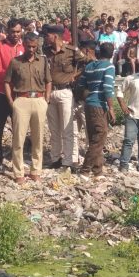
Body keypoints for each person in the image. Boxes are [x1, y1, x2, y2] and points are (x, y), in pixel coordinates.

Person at [5, 33, 51, 184]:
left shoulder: (43, 61)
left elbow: (48, 81)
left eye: (34, 46)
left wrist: (47, 99)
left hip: (39, 100)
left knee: (38, 138)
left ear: (37, 45)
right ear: (23, 45)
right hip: (22, 100)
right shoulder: (15, 62)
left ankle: (35, 171)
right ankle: (18, 172)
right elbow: (7, 82)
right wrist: (11, 101)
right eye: (28, 46)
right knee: (18, 139)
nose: (31, 49)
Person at [45, 25, 84, 172]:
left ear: (55, 36)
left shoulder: (71, 51)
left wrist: (75, 75)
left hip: (65, 91)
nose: (46, 38)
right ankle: (55, 159)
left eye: (48, 35)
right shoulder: (46, 51)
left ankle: (68, 161)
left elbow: (87, 62)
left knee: (67, 128)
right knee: (54, 129)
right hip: (51, 92)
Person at [0, 19, 25, 171]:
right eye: (13, 31)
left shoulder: (24, 46)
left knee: (19, 128)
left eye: (18, 31)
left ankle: (18, 159)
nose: (15, 34)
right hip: (2, 92)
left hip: (20, 94)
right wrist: (11, 79)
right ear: (7, 31)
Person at [76, 42, 116, 177]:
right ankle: (85, 169)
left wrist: (88, 96)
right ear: (112, 54)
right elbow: (107, 88)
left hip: (89, 105)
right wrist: (111, 108)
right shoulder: (109, 66)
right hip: (99, 105)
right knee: (100, 137)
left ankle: (97, 170)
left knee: (94, 136)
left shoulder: (89, 66)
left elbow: (81, 85)